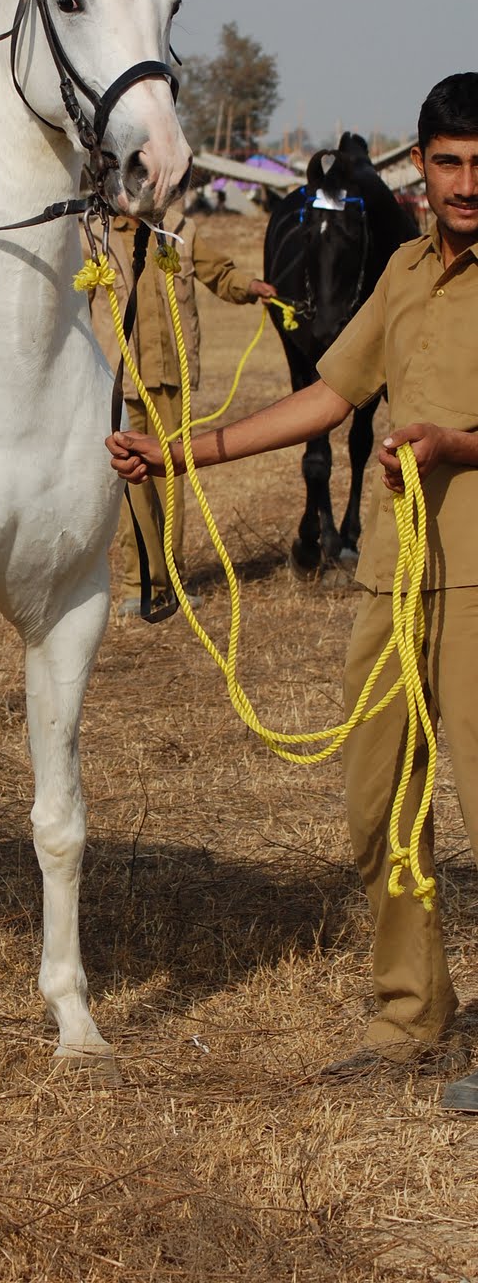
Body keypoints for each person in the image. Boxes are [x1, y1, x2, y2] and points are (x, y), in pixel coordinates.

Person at [106, 73, 478, 1111]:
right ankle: (409, 1014)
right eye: (445, 162)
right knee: (376, 809)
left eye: (477, 164)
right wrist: (182, 453)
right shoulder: (402, 270)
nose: (462, 183)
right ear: (422, 164)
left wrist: (453, 444)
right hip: (390, 580)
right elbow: (325, 396)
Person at [87, 206, 274, 617]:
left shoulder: (178, 230)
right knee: (132, 484)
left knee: (172, 481)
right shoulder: (94, 236)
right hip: (121, 384)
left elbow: (219, 274)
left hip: (170, 378)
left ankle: (170, 580)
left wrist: (253, 287)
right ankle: (139, 586)